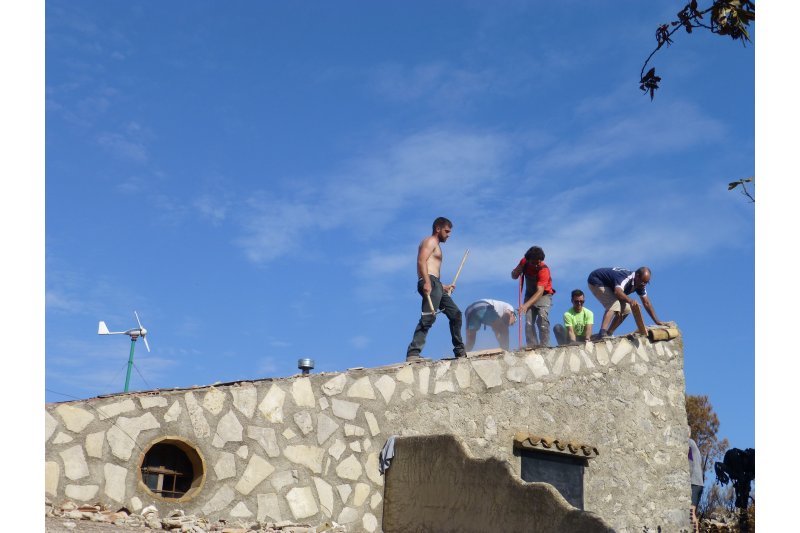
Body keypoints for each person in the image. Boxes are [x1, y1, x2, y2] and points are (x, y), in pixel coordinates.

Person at [406, 217, 466, 361]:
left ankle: (460, 351)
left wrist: (443, 286)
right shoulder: (430, 241)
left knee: (455, 314)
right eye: (446, 231)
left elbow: (432, 269)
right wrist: (426, 282)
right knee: (429, 316)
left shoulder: (436, 245)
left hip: (435, 283)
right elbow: (421, 261)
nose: (448, 235)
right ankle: (413, 353)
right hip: (429, 281)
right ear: (438, 229)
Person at [586, 266, 665, 338]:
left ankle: (609, 333)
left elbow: (646, 303)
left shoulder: (640, 284)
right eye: (643, 281)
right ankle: (602, 333)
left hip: (611, 286)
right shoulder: (626, 278)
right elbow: (618, 292)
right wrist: (630, 300)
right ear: (637, 276)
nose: (644, 284)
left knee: (627, 309)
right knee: (614, 304)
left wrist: (657, 321)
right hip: (597, 280)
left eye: (647, 282)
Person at [511, 246, 555, 348]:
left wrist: (526, 305)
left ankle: (544, 346)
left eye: (539, 262)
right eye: (534, 262)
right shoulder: (524, 262)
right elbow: (514, 276)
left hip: (544, 295)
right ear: (528, 260)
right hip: (529, 294)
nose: (536, 265)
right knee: (529, 322)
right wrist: (516, 272)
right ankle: (532, 346)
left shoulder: (544, 270)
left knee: (542, 318)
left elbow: (540, 292)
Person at [688, 429, 704, 533]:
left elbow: (689, 464)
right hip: (699, 483)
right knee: (693, 512)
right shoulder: (695, 447)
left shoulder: (689, 442)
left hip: (695, 482)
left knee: (691, 511)